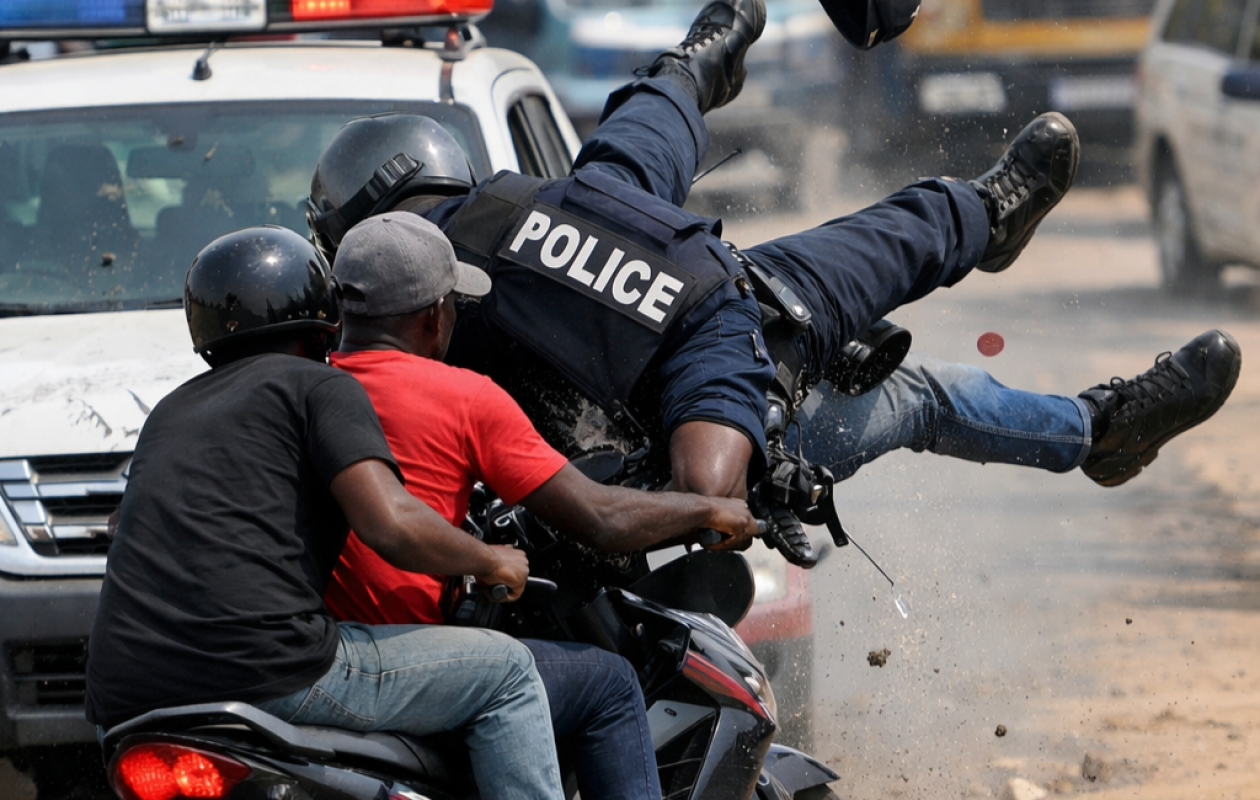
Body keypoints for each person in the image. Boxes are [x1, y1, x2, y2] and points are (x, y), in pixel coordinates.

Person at [303, 0, 1241, 566]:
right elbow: (703, 491)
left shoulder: (446, 264)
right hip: (715, 360)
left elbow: (707, 486)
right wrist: (729, 492)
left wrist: (732, 489)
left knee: (633, 174)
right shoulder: (398, 312)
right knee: (913, 383)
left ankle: (1011, 275)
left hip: (725, 321)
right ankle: (1095, 422)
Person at [85, 226, 564, 800]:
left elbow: (123, 526)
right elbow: (390, 524)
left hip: (122, 700)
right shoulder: (320, 386)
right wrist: (490, 560)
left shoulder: (170, 409)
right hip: (267, 672)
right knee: (508, 671)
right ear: (324, 317)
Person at [321, 211, 761, 800]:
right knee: (608, 684)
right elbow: (602, 519)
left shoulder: (305, 389)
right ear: (434, 315)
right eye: (454, 305)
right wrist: (706, 510)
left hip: (319, 658)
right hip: (405, 667)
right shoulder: (465, 398)